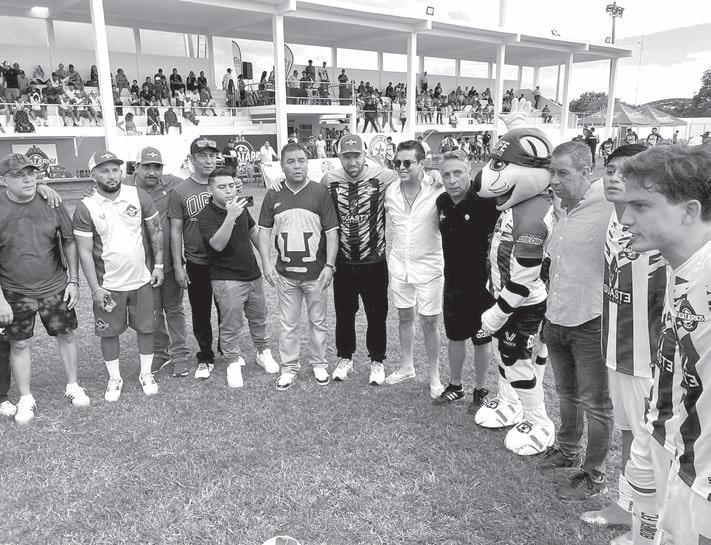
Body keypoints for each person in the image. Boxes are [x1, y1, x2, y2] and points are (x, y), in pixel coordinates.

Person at [618, 145, 711, 545]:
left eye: (640, 206)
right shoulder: (682, 265)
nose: (626, 218)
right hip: (667, 441)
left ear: (689, 211)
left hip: (699, 479)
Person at [579, 145, 667, 543]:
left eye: (624, 172)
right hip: (616, 346)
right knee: (630, 430)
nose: (614, 177)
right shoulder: (616, 221)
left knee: (650, 438)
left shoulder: (658, 227)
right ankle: (629, 505)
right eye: (610, 169)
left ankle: (648, 519)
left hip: (648, 355)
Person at [539, 140, 614, 500]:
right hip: (556, 316)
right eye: (551, 172)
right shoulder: (562, 207)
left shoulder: (608, 203)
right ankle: (567, 449)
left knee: (596, 402)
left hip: (590, 320)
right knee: (566, 392)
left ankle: (594, 473)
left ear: (587, 172)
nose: (553, 179)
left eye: (562, 173)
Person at [0, 154, 89, 424]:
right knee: (19, 343)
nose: (28, 179)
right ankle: (26, 397)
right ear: (4, 180)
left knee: (66, 334)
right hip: (14, 290)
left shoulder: (52, 201)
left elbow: (69, 240)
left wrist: (73, 280)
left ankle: (73, 385)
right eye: (19, 175)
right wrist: (0, 300)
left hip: (55, 286)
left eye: (31, 172)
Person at [73, 151, 164, 402]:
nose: (111, 175)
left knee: (147, 329)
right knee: (108, 333)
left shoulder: (138, 195)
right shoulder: (86, 206)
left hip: (142, 279)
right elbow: (84, 251)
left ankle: (146, 374)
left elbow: (156, 231)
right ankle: (115, 378)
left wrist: (158, 265)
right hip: (109, 285)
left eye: (115, 170)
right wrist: (95, 288)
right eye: (104, 171)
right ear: (93, 175)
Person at [257, 143, 339, 391]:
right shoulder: (274, 194)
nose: (297, 166)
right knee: (288, 324)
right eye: (291, 161)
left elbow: (332, 233)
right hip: (286, 274)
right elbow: (264, 231)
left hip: (316, 273)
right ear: (282, 165)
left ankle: (319, 364)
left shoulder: (319, 192)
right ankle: (289, 367)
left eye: (301, 160)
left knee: (318, 322)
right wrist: (267, 263)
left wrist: (329, 265)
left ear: (307, 163)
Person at [197, 169, 279, 388]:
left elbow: (253, 232)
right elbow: (217, 244)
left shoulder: (240, 207)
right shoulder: (206, 215)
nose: (228, 191)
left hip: (252, 274)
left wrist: (266, 262)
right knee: (231, 324)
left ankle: (263, 352)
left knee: (259, 317)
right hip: (226, 278)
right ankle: (232, 361)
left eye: (231, 186)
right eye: (222, 187)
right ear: (210, 190)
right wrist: (230, 215)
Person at [435, 150, 498, 409]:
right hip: (452, 282)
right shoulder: (442, 202)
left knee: (481, 339)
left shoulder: (485, 201)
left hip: (480, 284)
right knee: (455, 336)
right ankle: (455, 386)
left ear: (469, 172)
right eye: (446, 175)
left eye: (458, 173)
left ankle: (481, 390)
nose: (452, 180)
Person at [384, 140, 445, 398]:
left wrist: (438, 174)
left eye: (407, 162)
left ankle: (434, 376)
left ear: (422, 163)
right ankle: (407, 366)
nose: (401, 167)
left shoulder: (437, 189)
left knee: (430, 322)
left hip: (429, 266)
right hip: (399, 265)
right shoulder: (390, 191)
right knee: (404, 316)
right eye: (397, 162)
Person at [169, 138, 233, 380]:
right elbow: (176, 230)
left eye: (212, 155)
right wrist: (178, 266)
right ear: (192, 159)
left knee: (227, 309)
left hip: (224, 260)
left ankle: (228, 350)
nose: (209, 160)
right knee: (201, 312)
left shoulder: (226, 183)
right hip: (197, 261)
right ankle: (205, 356)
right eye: (202, 156)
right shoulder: (181, 191)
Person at [123, 147, 191, 377]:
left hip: (169, 260)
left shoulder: (173, 184)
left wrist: (235, 182)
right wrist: (44, 187)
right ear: (136, 167)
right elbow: (96, 192)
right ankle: (160, 352)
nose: (152, 172)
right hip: (139, 263)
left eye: (157, 167)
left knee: (173, 308)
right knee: (152, 310)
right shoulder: (123, 186)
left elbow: (200, 184)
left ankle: (180, 354)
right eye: (146, 166)